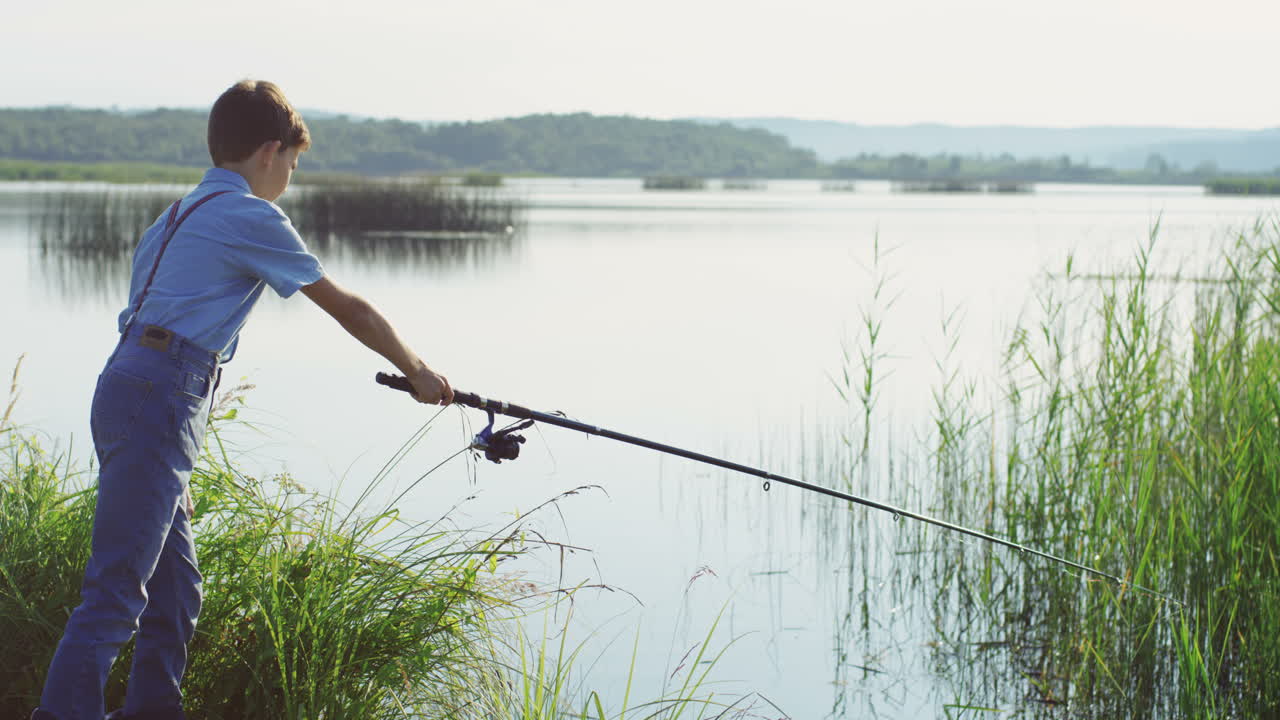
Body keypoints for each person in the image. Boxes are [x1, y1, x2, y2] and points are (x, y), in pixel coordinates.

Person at [31, 79, 453, 720]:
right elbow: (349, 308)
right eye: (292, 161)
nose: (289, 175)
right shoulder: (250, 216)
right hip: (159, 394)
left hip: (130, 388)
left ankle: (152, 710)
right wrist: (418, 369)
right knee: (118, 591)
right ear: (268, 152)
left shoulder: (175, 215)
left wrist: (170, 447)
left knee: (174, 587)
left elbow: (151, 328)